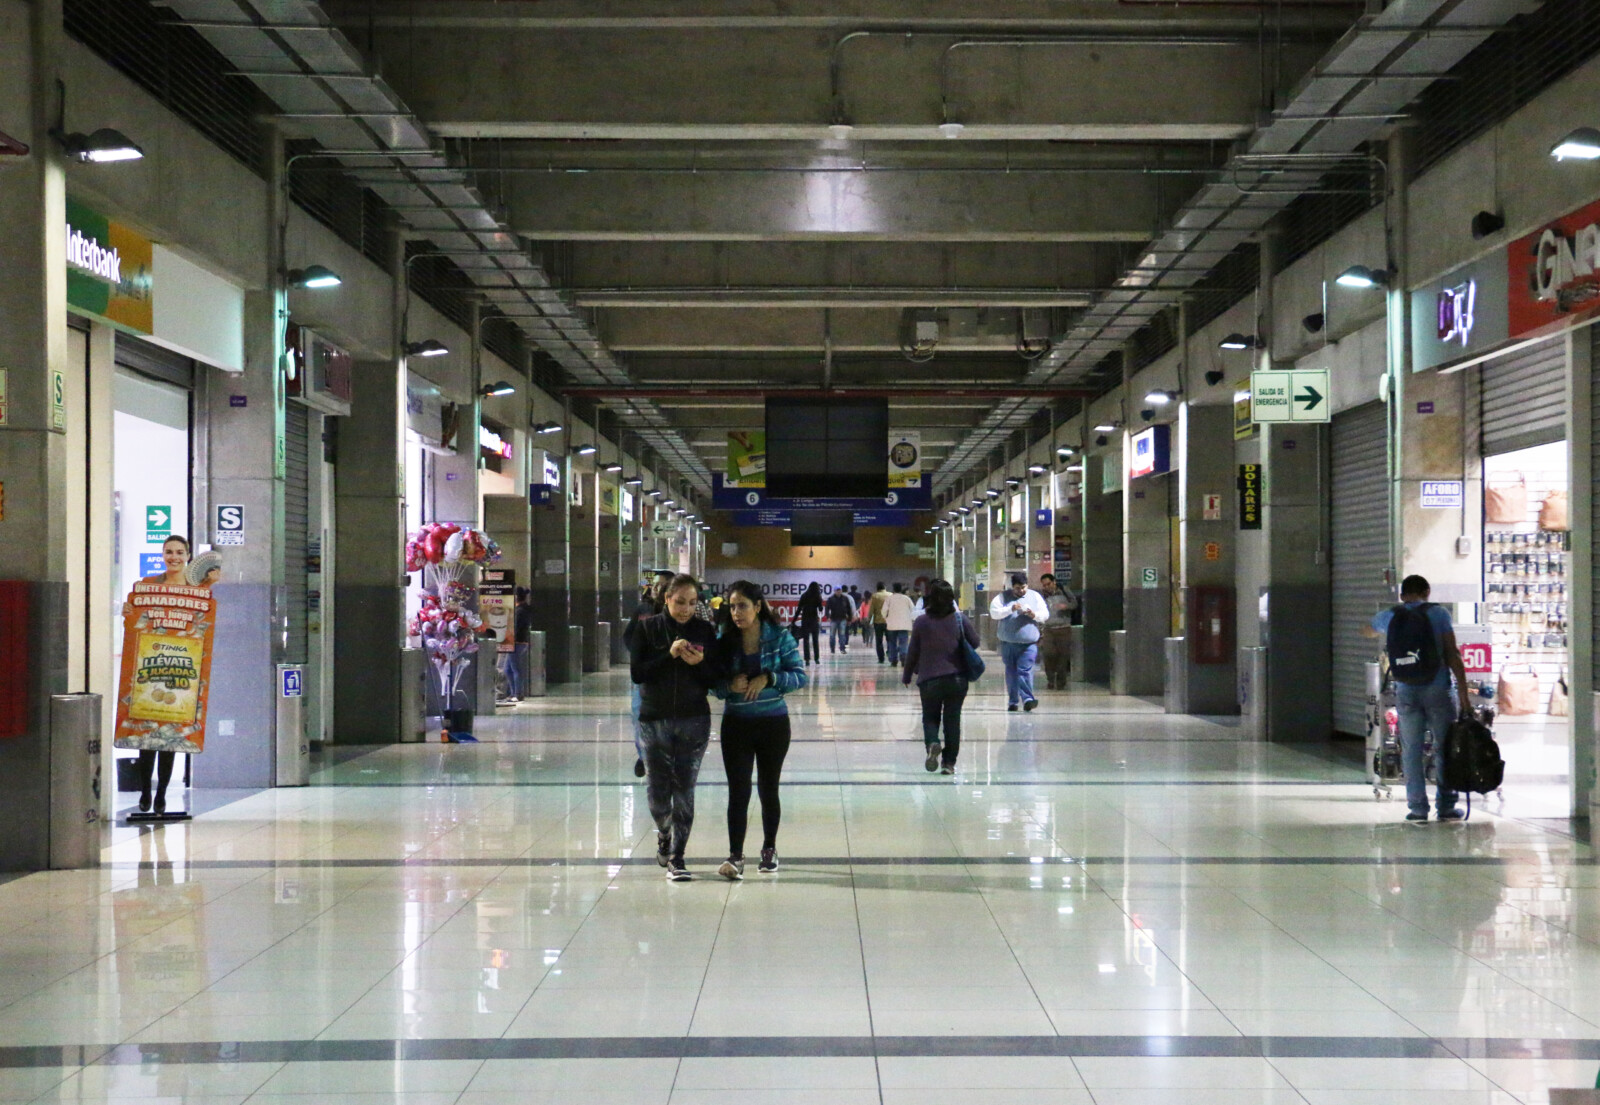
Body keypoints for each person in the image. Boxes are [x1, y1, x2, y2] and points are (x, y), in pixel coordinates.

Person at [711, 580, 807, 879]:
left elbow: (799, 676)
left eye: (742, 605)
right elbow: (713, 684)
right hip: (736, 724)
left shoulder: (779, 637)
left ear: (757, 606)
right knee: (738, 790)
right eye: (732, 606)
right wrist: (729, 686)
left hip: (773, 724)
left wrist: (770, 678)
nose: (737, 612)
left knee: (768, 787)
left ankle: (769, 848)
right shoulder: (724, 639)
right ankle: (736, 855)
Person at [629, 574, 720, 879]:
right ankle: (663, 831)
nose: (685, 609)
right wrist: (668, 656)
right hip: (655, 719)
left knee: (684, 789)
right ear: (666, 598)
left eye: (692, 602)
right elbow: (638, 673)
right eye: (680, 601)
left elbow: (714, 678)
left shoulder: (705, 630)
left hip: (694, 718)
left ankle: (678, 857)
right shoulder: (647, 628)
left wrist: (700, 665)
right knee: (658, 791)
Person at [1364, 574, 1472, 823]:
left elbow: (1367, 630)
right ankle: (1445, 806)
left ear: (1403, 596)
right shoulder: (1439, 614)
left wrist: (1385, 626)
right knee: (1444, 747)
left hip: (1406, 690)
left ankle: (1417, 809)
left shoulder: (1391, 615)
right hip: (1438, 689)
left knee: (1411, 750)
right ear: (1427, 592)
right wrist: (1464, 695)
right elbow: (1453, 654)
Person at [127, 535, 216, 814]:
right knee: (146, 737)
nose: (174, 557)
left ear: (188, 555)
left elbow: (207, 621)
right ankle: (144, 792)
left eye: (179, 552)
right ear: (162, 554)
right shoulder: (148, 585)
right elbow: (134, 618)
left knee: (170, 737)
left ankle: (161, 795)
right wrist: (128, 612)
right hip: (150, 663)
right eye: (169, 552)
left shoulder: (199, 588)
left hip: (183, 667)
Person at [902, 578, 978, 775]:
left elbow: (912, 652)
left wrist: (907, 675)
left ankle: (933, 744)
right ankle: (949, 764)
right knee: (952, 721)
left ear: (930, 599)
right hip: (957, 679)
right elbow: (975, 642)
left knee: (930, 718)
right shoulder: (960, 619)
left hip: (929, 679)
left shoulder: (921, 622)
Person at [624, 570, 677, 778]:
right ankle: (644, 755)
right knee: (639, 716)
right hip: (645, 675)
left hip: (668, 678)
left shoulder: (676, 614)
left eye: (662, 585)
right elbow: (629, 636)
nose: (656, 589)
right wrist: (639, 653)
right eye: (654, 585)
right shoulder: (642, 609)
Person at [990, 572, 1049, 711]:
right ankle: (1013, 701)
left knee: (1025, 670)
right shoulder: (1002, 597)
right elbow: (994, 613)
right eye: (1017, 588)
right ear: (1012, 587)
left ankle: (1028, 699)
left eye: (1023, 587)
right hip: (1008, 643)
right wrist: (1010, 609)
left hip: (1029, 644)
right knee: (1011, 672)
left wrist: (1034, 614)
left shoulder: (1035, 596)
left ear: (1027, 585)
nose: (1021, 591)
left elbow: (1045, 614)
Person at [1037, 573, 1077, 691]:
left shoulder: (1065, 591)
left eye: (1048, 584)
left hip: (1064, 628)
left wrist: (1066, 606)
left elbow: (1074, 604)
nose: (1046, 587)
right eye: (1044, 585)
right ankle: (1050, 679)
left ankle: (1061, 682)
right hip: (1049, 629)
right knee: (1049, 654)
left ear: (1054, 582)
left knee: (1063, 656)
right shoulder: (1042, 596)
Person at [881, 582, 916, 667]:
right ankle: (904, 657)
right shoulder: (906, 599)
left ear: (893, 589)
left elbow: (883, 611)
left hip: (891, 625)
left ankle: (893, 660)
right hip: (904, 624)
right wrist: (911, 619)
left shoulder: (889, 599)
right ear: (901, 589)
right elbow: (913, 610)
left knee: (892, 642)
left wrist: (886, 618)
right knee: (903, 642)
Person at [795, 581, 824, 664]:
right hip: (814, 620)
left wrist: (794, 620)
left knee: (806, 640)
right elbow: (821, 609)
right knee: (815, 640)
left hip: (805, 620)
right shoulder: (817, 596)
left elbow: (799, 609)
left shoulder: (804, 595)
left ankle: (807, 659)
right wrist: (820, 603)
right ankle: (816, 659)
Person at [826, 584, 855, 654]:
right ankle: (832, 649)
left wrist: (849, 619)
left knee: (842, 635)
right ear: (834, 591)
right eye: (837, 590)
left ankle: (842, 648)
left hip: (843, 619)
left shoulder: (845, 599)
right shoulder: (831, 599)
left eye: (840, 590)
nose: (839, 592)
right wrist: (828, 616)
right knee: (832, 635)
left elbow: (849, 609)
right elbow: (827, 609)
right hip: (833, 619)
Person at [867, 581, 892, 662]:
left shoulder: (875, 596)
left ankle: (881, 658)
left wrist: (869, 619)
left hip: (878, 622)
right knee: (890, 639)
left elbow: (871, 610)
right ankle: (891, 654)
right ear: (885, 587)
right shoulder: (890, 595)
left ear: (877, 588)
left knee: (879, 641)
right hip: (889, 621)